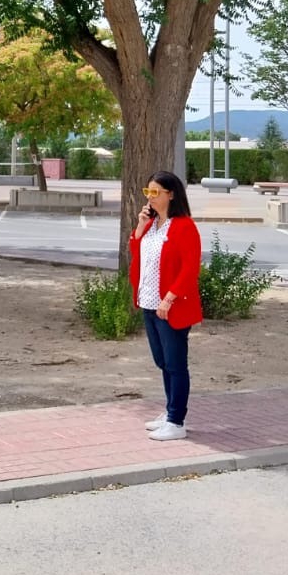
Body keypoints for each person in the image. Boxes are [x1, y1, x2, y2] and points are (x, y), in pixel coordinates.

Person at [127, 170, 202, 441]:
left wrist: (169, 298)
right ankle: (170, 411)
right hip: (148, 302)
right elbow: (137, 255)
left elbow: (190, 268)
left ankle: (176, 420)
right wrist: (139, 227)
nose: (151, 197)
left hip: (171, 306)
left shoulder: (184, 226)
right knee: (162, 362)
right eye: (148, 192)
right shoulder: (151, 226)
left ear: (171, 195)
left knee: (176, 363)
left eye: (156, 192)